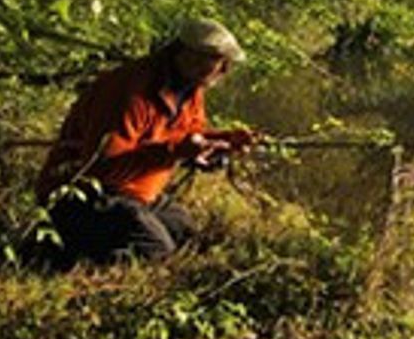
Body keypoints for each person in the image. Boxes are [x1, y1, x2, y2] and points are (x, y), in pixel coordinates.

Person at [36, 18, 258, 265]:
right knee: (155, 249)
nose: (225, 71)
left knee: (189, 240)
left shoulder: (190, 88)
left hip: (139, 196)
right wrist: (176, 152)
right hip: (82, 197)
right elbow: (100, 170)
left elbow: (187, 134)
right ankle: (64, 264)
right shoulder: (130, 92)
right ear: (189, 56)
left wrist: (222, 141)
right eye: (219, 62)